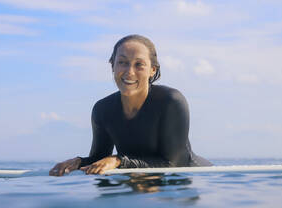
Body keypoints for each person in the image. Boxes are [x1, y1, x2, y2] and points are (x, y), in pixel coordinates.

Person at [49, 35, 212, 176]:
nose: (129, 72)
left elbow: (175, 165)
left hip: (195, 179)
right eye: (122, 62)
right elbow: (99, 159)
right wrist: (77, 162)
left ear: (152, 70)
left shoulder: (171, 101)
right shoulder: (103, 110)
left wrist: (119, 161)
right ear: (112, 65)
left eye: (139, 64)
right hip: (141, 184)